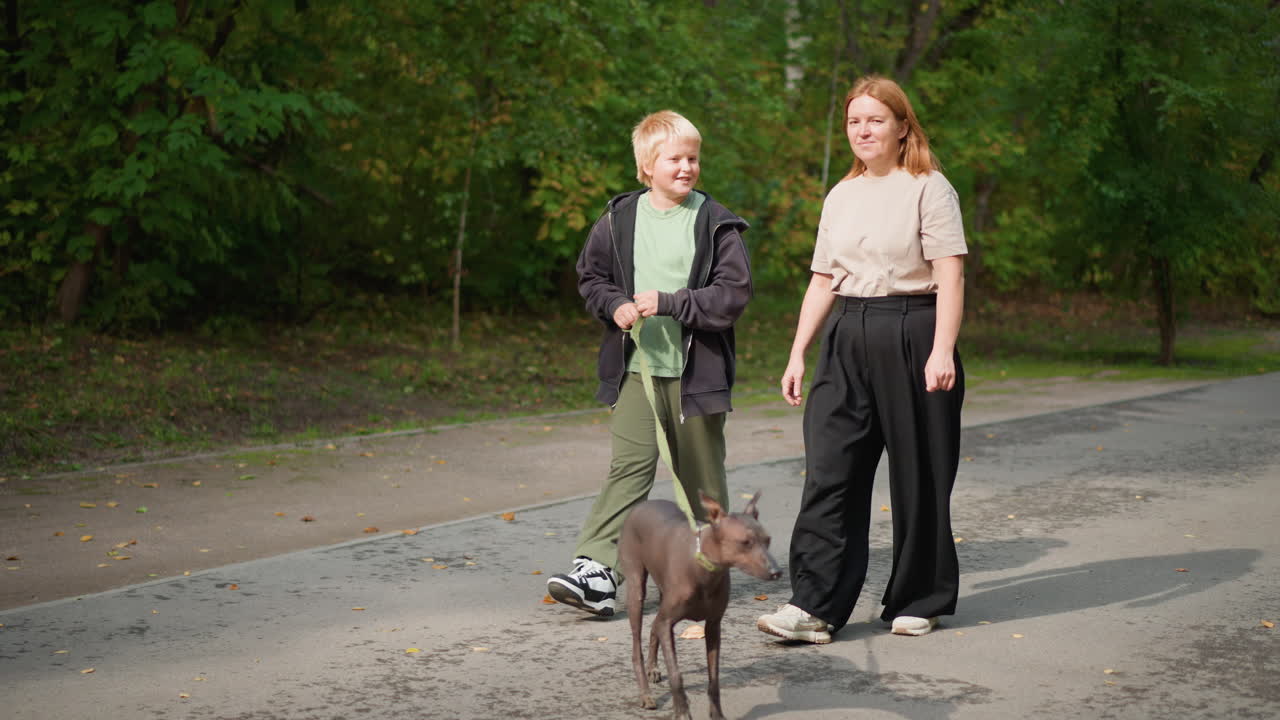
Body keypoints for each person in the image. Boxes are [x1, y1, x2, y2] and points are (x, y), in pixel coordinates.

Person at [756, 75, 967, 643]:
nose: (863, 130)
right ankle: (814, 605)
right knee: (830, 471)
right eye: (854, 121)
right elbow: (822, 279)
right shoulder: (841, 195)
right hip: (847, 335)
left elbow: (950, 274)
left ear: (901, 127)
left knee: (919, 475)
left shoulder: (930, 188)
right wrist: (798, 352)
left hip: (914, 330)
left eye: (876, 120)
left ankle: (919, 598)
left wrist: (941, 349)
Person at [546, 110, 753, 616]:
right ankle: (596, 570)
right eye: (674, 159)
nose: (686, 167)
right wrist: (614, 304)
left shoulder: (717, 223)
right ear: (646, 166)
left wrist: (671, 302)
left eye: (693, 158)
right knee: (629, 468)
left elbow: (732, 295)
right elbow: (592, 277)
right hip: (636, 368)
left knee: (700, 479)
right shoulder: (618, 219)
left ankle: (707, 567)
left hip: (695, 375)